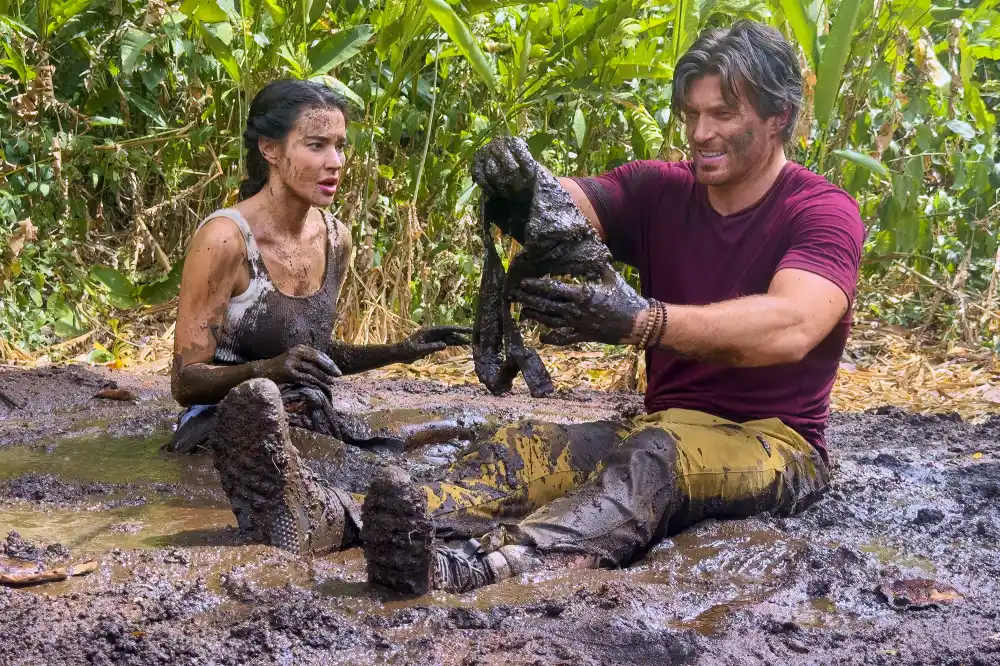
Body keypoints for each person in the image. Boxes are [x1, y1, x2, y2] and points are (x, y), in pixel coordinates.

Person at [358, 19, 866, 593]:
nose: (701, 133)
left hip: (778, 444)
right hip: (663, 425)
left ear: (779, 116)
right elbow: (564, 207)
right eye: (691, 114)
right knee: (521, 447)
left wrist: (644, 320)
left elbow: (793, 324)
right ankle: (347, 521)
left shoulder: (822, 211)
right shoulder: (660, 190)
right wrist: (522, 185)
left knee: (653, 460)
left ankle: (485, 569)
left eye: (723, 114)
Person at [168, 79, 472, 550]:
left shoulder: (336, 238)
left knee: (449, 434)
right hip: (226, 427)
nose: (335, 162)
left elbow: (314, 353)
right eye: (316, 146)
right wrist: (267, 371)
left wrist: (398, 352)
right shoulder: (225, 239)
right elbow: (185, 382)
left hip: (309, 417)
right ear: (270, 149)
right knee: (381, 475)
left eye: (339, 146)